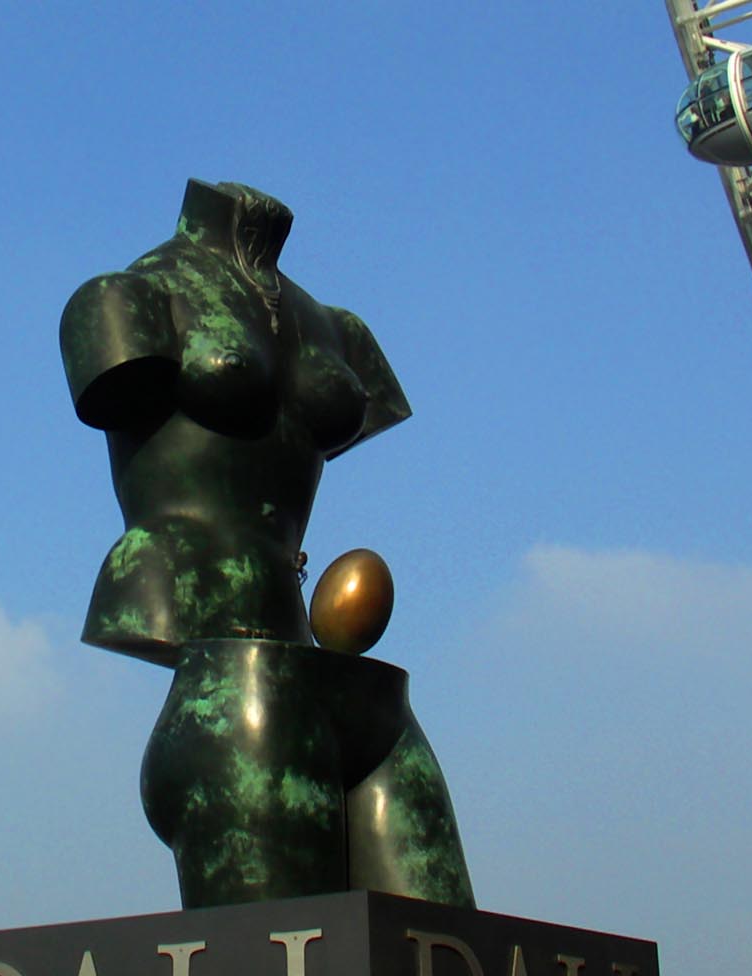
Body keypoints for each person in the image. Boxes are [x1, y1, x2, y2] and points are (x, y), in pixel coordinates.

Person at [60, 179, 475, 909]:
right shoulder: (128, 294)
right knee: (286, 971)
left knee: (440, 943)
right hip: (189, 607)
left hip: (312, 652)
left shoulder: (336, 327)